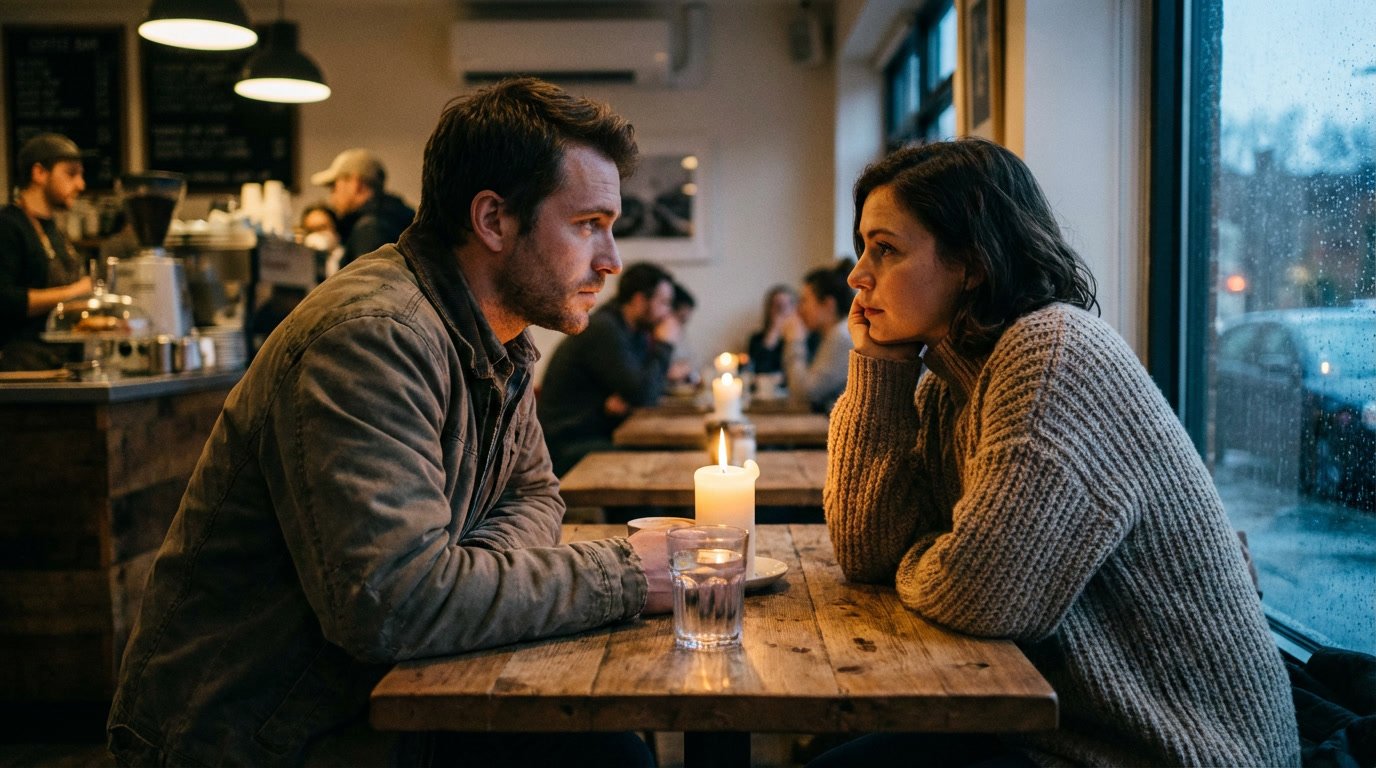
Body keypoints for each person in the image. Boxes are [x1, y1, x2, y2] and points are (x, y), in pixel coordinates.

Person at [108, 78, 673, 768]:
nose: (612, 261)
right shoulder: (372, 337)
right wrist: (622, 576)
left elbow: (536, 496)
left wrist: (459, 575)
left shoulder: (500, 338)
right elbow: (395, 607)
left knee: (608, 752)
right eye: (589, 225)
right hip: (255, 737)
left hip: (367, 695)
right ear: (493, 220)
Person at [815, 138, 1299, 767]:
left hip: (1175, 752)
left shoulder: (1052, 354)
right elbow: (865, 553)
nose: (856, 275)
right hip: (1065, 728)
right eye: (863, 248)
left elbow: (984, 597)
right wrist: (879, 368)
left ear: (973, 263)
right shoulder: (945, 386)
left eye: (885, 249)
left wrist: (928, 558)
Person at [538, 261, 689, 476]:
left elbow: (645, 387)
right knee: (654, 468)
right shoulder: (605, 329)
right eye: (664, 302)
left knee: (667, 458)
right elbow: (644, 394)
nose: (667, 313)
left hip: (598, 434)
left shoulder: (631, 331)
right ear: (639, 300)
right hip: (569, 446)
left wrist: (634, 394)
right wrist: (665, 345)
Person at [0, 133, 93, 371]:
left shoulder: (55, 231)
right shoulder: (8, 225)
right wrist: (74, 292)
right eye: (71, 174)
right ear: (39, 173)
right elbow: (5, 300)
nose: (81, 185)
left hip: (61, 366)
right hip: (22, 371)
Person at [310, 147, 415, 270]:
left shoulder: (369, 229)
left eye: (334, 186)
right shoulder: (395, 218)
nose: (332, 195)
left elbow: (366, 286)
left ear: (356, 184)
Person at [781, 260, 855, 412]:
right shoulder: (833, 334)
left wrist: (795, 341)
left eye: (805, 301)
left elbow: (804, 393)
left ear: (828, 305)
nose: (799, 310)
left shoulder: (841, 337)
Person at [745, 284, 798, 376]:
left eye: (787, 305)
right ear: (769, 309)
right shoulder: (757, 339)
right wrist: (773, 333)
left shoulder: (806, 338)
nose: (783, 311)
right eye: (778, 306)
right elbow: (758, 370)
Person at [667, 280, 701, 390]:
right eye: (680, 318)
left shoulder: (679, 334)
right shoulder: (646, 337)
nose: (681, 326)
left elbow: (690, 363)